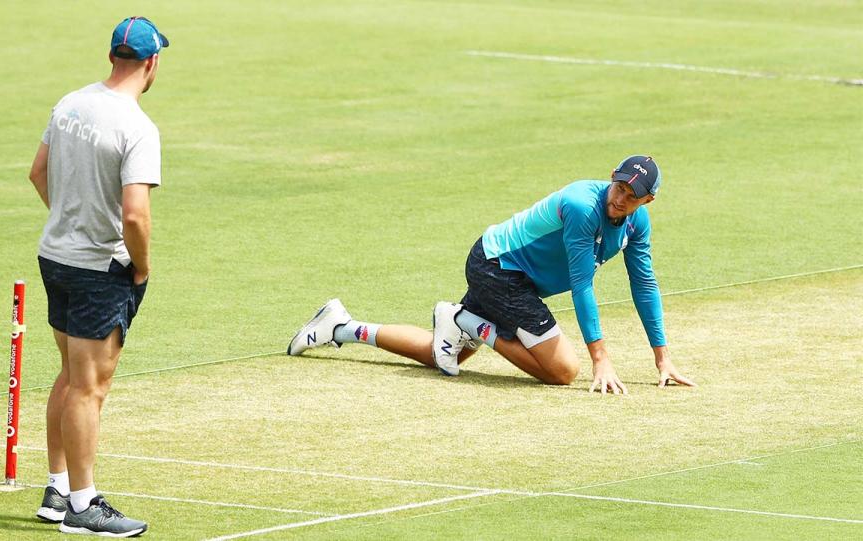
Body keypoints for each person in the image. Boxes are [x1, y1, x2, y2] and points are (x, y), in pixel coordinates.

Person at [288, 156, 695, 394]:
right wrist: (600, 360)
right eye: (619, 187)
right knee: (562, 372)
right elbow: (582, 283)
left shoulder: (636, 224)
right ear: (612, 178)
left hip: (513, 276)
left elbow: (644, 284)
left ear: (648, 201)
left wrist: (663, 359)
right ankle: (468, 322)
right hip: (498, 267)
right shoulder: (581, 206)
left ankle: (339, 326)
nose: (621, 198)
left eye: (632, 195)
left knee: (443, 356)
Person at [27, 16, 168, 537]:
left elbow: (38, 172)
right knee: (89, 387)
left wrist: (66, 219)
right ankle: (83, 507)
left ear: (113, 56)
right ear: (152, 63)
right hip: (99, 268)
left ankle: (57, 488)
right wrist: (143, 264)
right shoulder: (137, 127)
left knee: (69, 375)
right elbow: (135, 215)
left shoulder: (70, 103)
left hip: (56, 257)